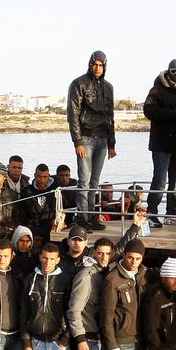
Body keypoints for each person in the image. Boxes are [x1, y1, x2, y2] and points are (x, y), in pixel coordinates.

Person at [66, 50, 116, 229]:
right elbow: (73, 114)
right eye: (94, 64)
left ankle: (92, 216)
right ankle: (82, 217)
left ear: (105, 67)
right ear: (89, 64)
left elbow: (110, 117)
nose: (97, 68)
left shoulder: (108, 87)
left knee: (94, 182)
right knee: (84, 180)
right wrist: (77, 142)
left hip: (102, 139)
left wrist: (112, 144)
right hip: (85, 138)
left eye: (100, 65)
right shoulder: (78, 84)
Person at [143, 59, 176, 227]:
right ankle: (151, 213)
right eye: (174, 70)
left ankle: (172, 213)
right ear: (168, 71)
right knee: (160, 180)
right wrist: (174, 114)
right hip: (161, 143)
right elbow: (148, 110)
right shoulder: (157, 90)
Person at [67, 237, 115, 350]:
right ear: (94, 253)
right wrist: (80, 338)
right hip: (89, 339)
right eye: (100, 253)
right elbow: (74, 310)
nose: (104, 257)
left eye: (107, 254)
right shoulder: (86, 276)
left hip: (103, 338)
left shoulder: (107, 273)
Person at [101, 239, 147, 350]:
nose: (134, 262)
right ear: (124, 255)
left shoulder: (143, 273)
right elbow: (106, 317)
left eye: (138, 258)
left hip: (139, 340)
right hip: (122, 341)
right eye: (130, 257)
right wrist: (112, 347)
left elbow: (167, 274)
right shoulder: (112, 280)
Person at [21, 243, 72, 350]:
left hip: (59, 341)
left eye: (51, 258)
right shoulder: (31, 279)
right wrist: (26, 343)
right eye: (45, 258)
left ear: (57, 260)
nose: (47, 262)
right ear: (40, 257)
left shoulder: (65, 280)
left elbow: (72, 312)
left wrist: (65, 339)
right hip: (37, 341)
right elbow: (24, 312)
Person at [17, 164, 64, 241]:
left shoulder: (56, 190)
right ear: (35, 175)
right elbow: (22, 213)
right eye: (39, 176)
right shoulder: (26, 191)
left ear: (48, 176)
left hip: (50, 228)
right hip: (32, 229)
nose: (42, 180)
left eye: (45, 177)